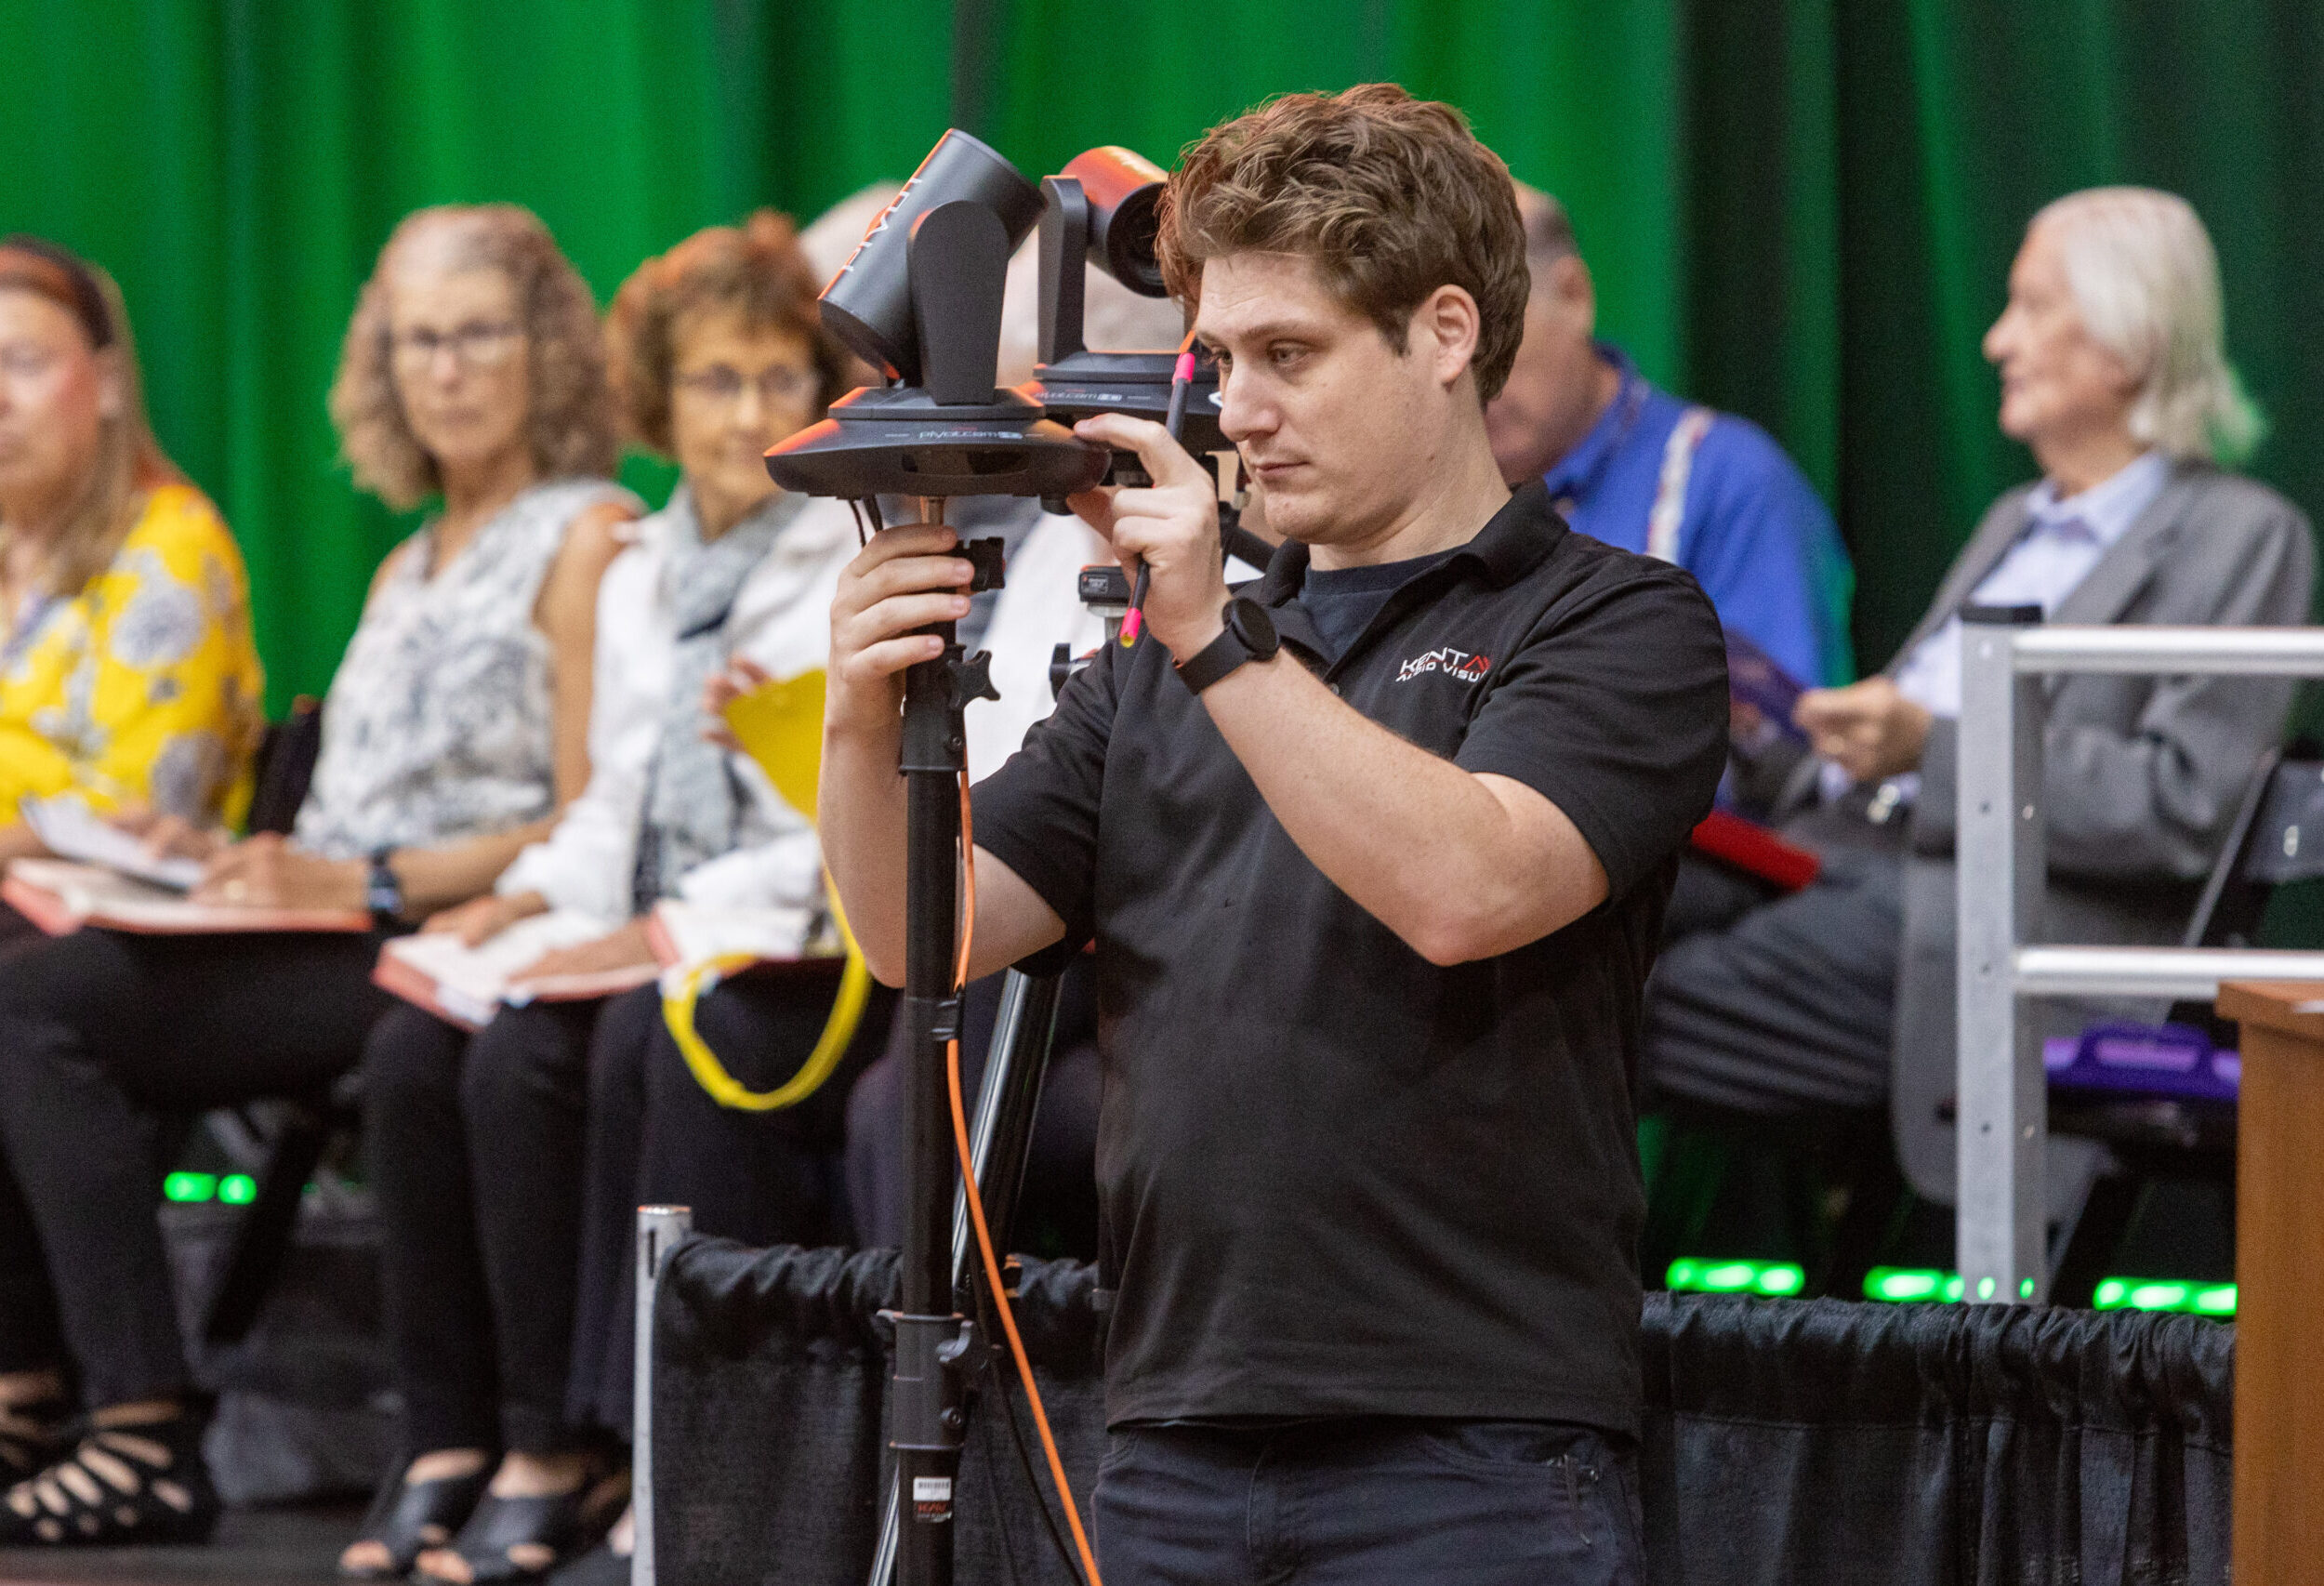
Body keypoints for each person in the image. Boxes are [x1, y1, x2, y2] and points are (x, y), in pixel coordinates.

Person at [819, 85, 1728, 1583]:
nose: (1237, 410)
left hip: (1476, 1443)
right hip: (1172, 1428)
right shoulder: (1160, 665)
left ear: (1445, 333)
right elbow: (928, 931)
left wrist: (1213, 637)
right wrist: (860, 716)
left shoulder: (1615, 619)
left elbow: (1467, 886)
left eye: (1289, 355)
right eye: (1221, 358)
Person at [0, 204, 634, 1549]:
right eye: (416, 341)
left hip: (446, 930)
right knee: (29, 981)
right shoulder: (411, 559)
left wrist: (370, 881)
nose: (445, 370)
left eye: (477, 334)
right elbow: (343, 813)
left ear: (546, 351)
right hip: (330, 914)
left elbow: (590, 819)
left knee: (37, 1003)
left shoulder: (590, 536)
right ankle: (44, 1389)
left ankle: (140, 1424)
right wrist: (219, 860)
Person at [345, 211, 871, 1585]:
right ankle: (479, 1431)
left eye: (776, 378)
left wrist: (653, 934)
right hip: (661, 931)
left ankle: (651, 1455)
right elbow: (611, 803)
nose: (744, 413)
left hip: (794, 946)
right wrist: (516, 908)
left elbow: (832, 839)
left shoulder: (848, 551)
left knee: (627, 1037)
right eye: (714, 380)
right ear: (658, 397)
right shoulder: (641, 568)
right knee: (428, 1045)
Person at [1641, 188, 2313, 1210]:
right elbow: (1905, 743)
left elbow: (2183, 803)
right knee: (1573, 912)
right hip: (1829, 861)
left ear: (2128, 343)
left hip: (1973, 927)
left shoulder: (2241, 535)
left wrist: (1931, 747)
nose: (1998, 340)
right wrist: (1786, 736)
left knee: (1586, 1008)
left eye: (2032, 307)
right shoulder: (2014, 520)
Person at [0, 234, 267, 1474]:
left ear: (105, 381)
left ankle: (112, 1406)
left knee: (15, 990)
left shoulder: (168, 545)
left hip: (163, 933)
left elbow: (132, 802)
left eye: (23, 363)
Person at [1486, 183, 1853, 690]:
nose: (1466, 371)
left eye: (1490, 330)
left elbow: (1789, 732)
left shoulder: (1732, 485)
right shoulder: (1420, 491)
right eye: (1436, 339)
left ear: (1573, 296)